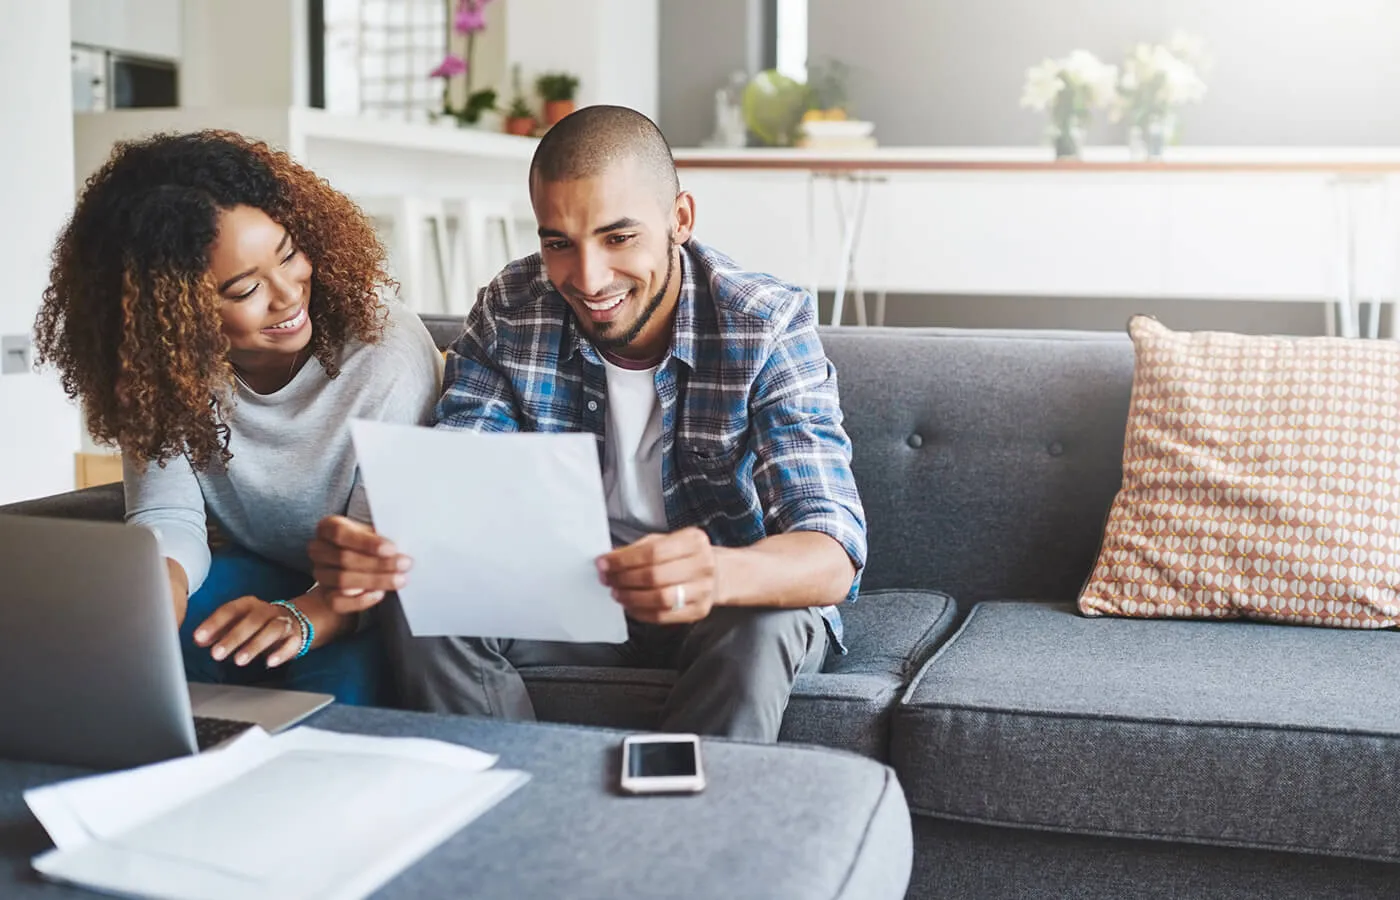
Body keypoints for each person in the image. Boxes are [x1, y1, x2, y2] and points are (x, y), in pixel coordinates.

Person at [309, 106, 866, 739]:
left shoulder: (763, 322)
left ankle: (688, 834)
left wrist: (714, 572)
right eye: (558, 244)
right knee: (420, 599)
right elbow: (463, 474)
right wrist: (382, 545)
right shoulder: (513, 309)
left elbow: (832, 549)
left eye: (618, 237)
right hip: (575, 600)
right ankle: (511, 809)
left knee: (768, 620)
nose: (589, 278)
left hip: (724, 601)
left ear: (679, 219)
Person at [34, 130, 442, 705]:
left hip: (366, 599)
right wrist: (158, 588)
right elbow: (168, 512)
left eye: (289, 255)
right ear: (170, 310)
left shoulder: (383, 351)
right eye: (244, 288)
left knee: (336, 705)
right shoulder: (162, 368)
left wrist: (301, 618)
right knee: (138, 660)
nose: (287, 295)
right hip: (258, 569)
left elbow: (378, 555)